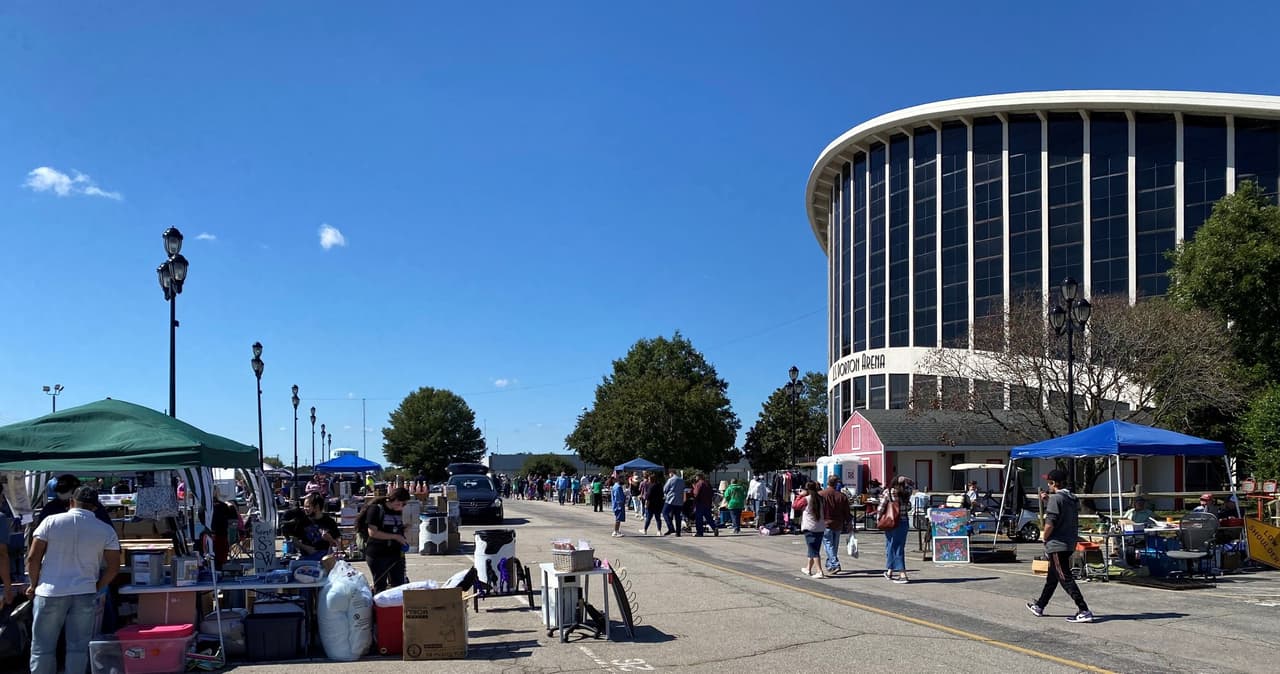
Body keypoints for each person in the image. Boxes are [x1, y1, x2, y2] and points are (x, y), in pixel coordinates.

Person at [28, 486, 121, 674]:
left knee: (42, 648)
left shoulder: (50, 521)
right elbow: (114, 567)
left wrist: (33, 584)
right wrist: (97, 586)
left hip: (49, 591)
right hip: (84, 592)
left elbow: (33, 558)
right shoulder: (105, 530)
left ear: (71, 502)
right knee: (78, 648)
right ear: (95, 507)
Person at [1027, 468, 1094, 623]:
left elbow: (1051, 521)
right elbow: (1061, 509)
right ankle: (1040, 605)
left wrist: (1045, 536)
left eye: (1049, 482)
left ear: (1054, 483)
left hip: (1058, 544)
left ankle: (1083, 609)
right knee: (1053, 577)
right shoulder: (1071, 498)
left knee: (1064, 576)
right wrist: (1047, 500)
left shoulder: (1056, 499)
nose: (1048, 485)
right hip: (1069, 541)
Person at [362, 487, 410, 593]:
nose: (402, 507)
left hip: (396, 554)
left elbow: (393, 529)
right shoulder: (376, 509)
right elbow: (373, 532)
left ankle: (397, 608)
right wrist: (396, 537)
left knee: (399, 586)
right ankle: (380, 608)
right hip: (378, 555)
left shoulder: (397, 512)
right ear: (396, 500)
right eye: (403, 504)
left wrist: (402, 530)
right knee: (380, 587)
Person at [35, 474, 112, 528]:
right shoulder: (50, 508)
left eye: (65, 491)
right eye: (60, 491)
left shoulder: (92, 505)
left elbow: (107, 528)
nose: (62, 495)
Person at [283, 493, 341, 561]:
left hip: (325, 557)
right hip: (307, 557)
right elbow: (294, 540)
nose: (305, 509)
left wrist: (330, 539)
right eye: (304, 506)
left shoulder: (329, 521)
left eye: (307, 506)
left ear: (317, 507)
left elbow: (338, 546)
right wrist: (307, 548)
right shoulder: (302, 520)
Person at [877, 476, 913, 584]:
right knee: (894, 545)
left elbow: (881, 507)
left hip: (891, 522)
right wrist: (907, 479)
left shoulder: (888, 492)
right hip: (904, 522)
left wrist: (878, 519)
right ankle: (890, 571)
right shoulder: (907, 492)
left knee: (894, 546)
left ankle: (903, 574)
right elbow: (912, 485)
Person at [794, 481, 828, 578]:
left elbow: (795, 506)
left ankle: (819, 571)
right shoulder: (821, 499)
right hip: (820, 527)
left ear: (807, 490)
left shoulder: (806, 499)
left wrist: (799, 496)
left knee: (814, 550)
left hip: (810, 527)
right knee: (813, 548)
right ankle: (808, 568)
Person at [819, 475, 852, 574]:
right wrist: (849, 523)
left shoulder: (821, 494)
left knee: (828, 545)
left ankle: (835, 563)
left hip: (825, 523)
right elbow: (847, 512)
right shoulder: (842, 496)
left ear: (827, 482)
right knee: (834, 546)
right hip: (838, 523)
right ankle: (830, 565)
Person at [662, 470, 686, 536]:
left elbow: (665, 489)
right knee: (678, 516)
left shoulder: (671, 480)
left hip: (670, 500)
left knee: (664, 513)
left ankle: (671, 527)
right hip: (679, 501)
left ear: (671, 473)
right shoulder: (682, 480)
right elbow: (683, 489)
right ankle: (678, 532)